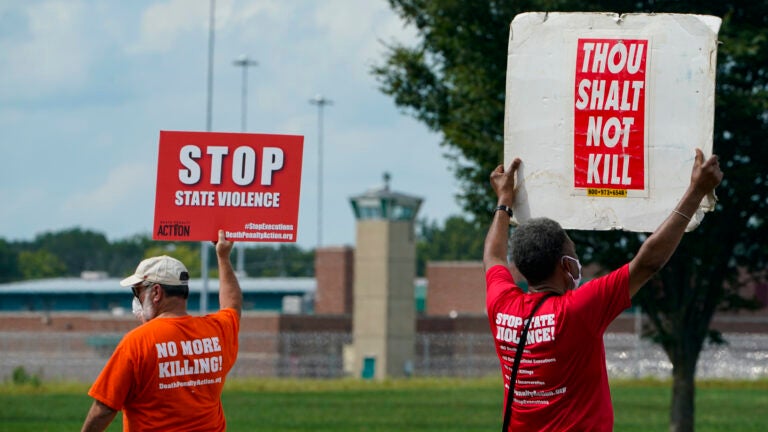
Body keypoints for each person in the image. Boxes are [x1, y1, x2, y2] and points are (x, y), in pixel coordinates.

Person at [483, 149, 722, 431]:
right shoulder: (576, 311)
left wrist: (504, 200)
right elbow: (647, 263)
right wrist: (696, 192)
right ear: (566, 266)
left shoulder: (502, 307)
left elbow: (494, 257)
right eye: (574, 253)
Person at [81, 229, 242, 432]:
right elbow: (233, 306)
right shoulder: (216, 331)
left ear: (156, 292)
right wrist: (223, 257)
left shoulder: (137, 342)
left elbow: (104, 408)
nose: (136, 299)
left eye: (138, 291)